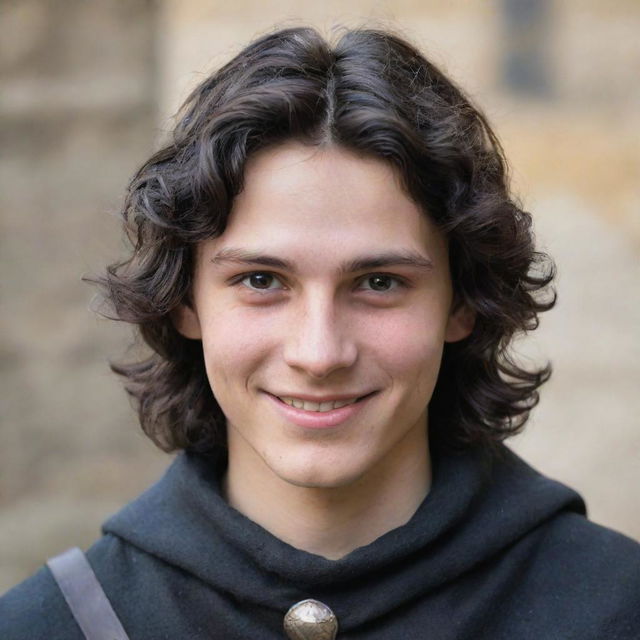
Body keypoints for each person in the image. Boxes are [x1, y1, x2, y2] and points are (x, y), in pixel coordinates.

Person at [1, 25, 639, 640]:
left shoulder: (616, 606)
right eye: (260, 281)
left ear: (461, 304)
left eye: (380, 282)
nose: (320, 352)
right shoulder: (50, 624)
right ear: (184, 303)